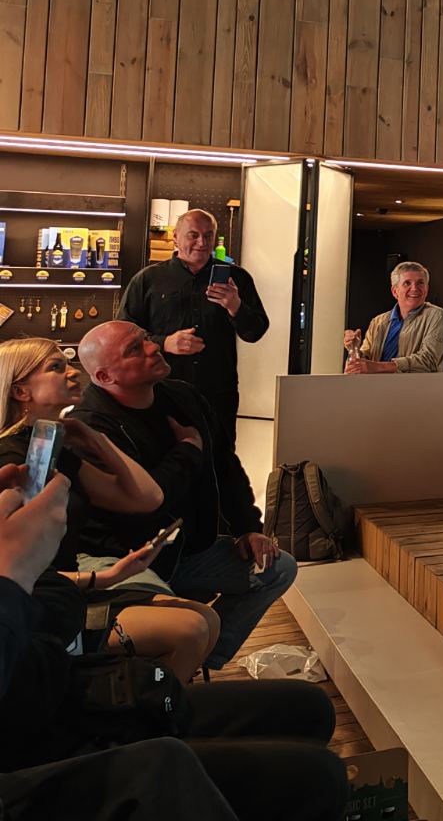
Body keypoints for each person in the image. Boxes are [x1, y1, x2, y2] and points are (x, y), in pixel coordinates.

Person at [0, 461, 344, 821]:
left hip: (75, 685)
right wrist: (15, 579)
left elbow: (163, 491)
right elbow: (145, 500)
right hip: (37, 739)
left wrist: (105, 578)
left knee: (309, 706)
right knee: (318, 778)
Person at [71, 322, 294, 671]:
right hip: (121, 558)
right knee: (180, 621)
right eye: (135, 349)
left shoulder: (183, 396)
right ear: (105, 376)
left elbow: (224, 465)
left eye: (147, 339)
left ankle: (200, 659)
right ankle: (176, 665)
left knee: (277, 567)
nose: (153, 348)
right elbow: (147, 502)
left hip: (186, 550)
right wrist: (188, 448)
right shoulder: (90, 428)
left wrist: (248, 528)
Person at [0, 337, 218, 680]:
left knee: (207, 619)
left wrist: (96, 440)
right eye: (56, 367)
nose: (73, 373)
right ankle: (148, 707)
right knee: (189, 629)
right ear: (20, 391)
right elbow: (18, 570)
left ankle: (156, 703)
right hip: (41, 605)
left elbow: (147, 497)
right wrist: (103, 578)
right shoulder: (11, 460)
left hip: (65, 590)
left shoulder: (54, 448)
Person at [118, 208, 269, 467]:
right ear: (176, 237)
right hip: (161, 390)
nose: (201, 242)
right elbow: (123, 333)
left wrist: (235, 306)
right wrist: (164, 342)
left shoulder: (236, 278)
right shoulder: (148, 279)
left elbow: (255, 331)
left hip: (217, 392)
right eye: (193, 235)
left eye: (208, 235)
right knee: (163, 461)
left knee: (219, 462)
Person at [343, 261, 443, 373]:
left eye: (420, 283)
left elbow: (429, 361)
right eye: (407, 283)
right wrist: (354, 349)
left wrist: (378, 367)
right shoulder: (378, 321)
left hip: (415, 384)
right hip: (376, 384)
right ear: (395, 291)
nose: (414, 288)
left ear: (427, 289)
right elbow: (364, 364)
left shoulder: (436, 316)